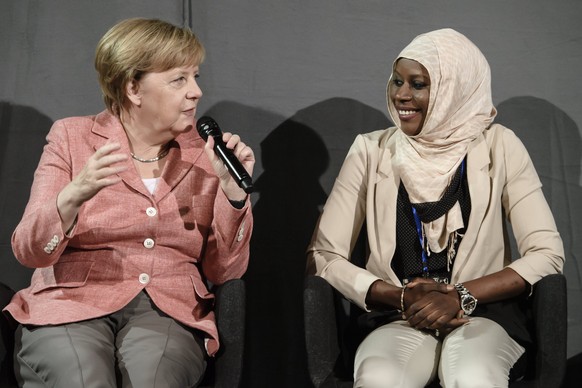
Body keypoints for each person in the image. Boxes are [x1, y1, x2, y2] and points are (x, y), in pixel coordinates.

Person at [3, 18, 254, 387]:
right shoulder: (72, 137)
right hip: (72, 303)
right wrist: (73, 195)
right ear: (133, 88)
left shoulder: (206, 154)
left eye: (195, 76)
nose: (196, 91)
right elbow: (31, 252)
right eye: (179, 79)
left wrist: (233, 195)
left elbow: (224, 272)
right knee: (82, 377)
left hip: (167, 308)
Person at [306, 28, 564, 387]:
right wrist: (399, 296)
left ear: (453, 90)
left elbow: (547, 253)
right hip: (397, 317)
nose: (401, 95)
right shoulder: (370, 150)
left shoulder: (500, 147)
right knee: (380, 377)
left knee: (471, 374)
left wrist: (462, 295)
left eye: (418, 84)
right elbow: (323, 255)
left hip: (484, 315)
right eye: (398, 81)